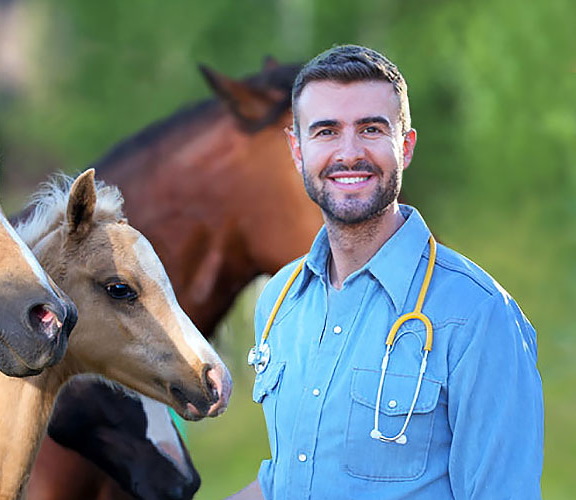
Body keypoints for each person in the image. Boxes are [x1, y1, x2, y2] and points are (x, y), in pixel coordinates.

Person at [227, 45, 543, 499]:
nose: (349, 153)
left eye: (371, 129)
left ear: (405, 146)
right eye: (326, 131)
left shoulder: (478, 315)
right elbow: (289, 480)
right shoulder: (279, 300)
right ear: (298, 151)